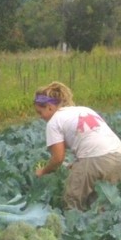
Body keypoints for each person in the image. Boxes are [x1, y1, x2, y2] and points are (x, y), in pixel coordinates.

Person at [33, 81, 121, 210]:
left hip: (96, 159)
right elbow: (91, 138)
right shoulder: (84, 109)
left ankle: (71, 229)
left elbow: (58, 159)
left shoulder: (54, 121)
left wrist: (43, 171)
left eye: (40, 112)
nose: (40, 117)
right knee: (103, 205)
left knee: (72, 201)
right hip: (117, 156)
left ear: (50, 107)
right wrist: (78, 164)